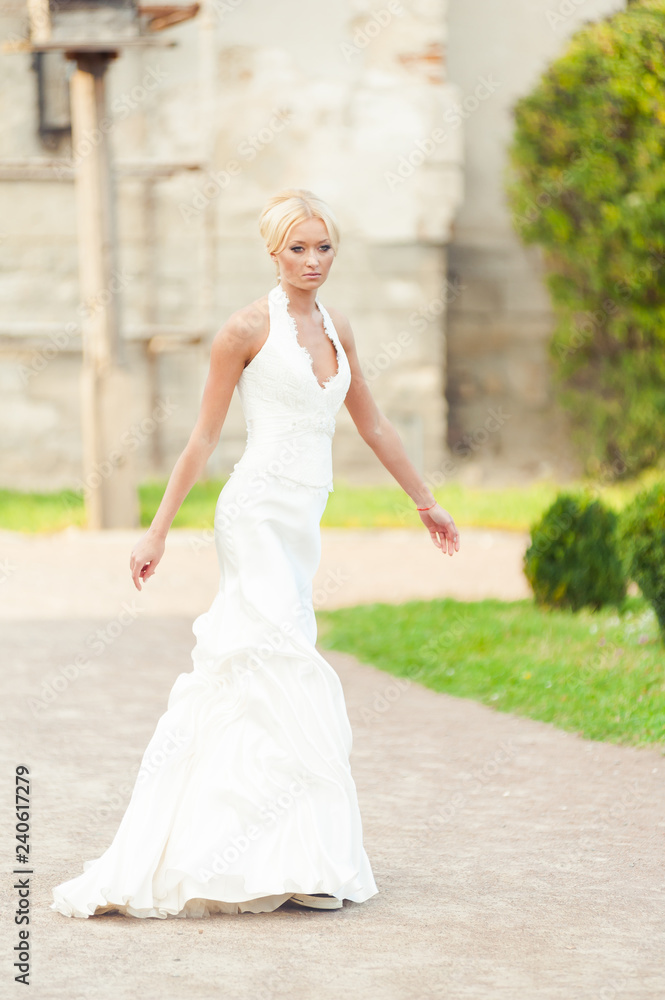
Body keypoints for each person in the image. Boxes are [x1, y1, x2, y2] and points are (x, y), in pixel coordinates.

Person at [51, 188, 460, 920]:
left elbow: (372, 425)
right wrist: (157, 530)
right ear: (273, 252)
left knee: (273, 667)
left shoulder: (338, 327)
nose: (313, 261)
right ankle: (275, 862)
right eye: (298, 248)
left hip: (302, 521)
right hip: (255, 515)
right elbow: (202, 440)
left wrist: (425, 501)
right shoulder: (243, 330)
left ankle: (289, 854)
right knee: (278, 661)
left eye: (324, 247)